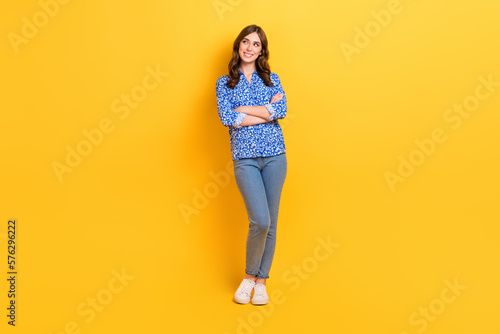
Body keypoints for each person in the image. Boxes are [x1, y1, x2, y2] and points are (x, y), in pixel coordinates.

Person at [215, 24, 288, 305]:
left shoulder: (271, 79)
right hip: (244, 158)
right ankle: (248, 277)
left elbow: (280, 110)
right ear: (238, 46)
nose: (249, 48)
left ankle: (261, 281)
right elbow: (226, 117)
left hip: (275, 156)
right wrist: (265, 112)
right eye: (246, 42)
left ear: (262, 51)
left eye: (256, 44)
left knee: (272, 222)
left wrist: (242, 109)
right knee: (259, 219)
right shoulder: (225, 83)